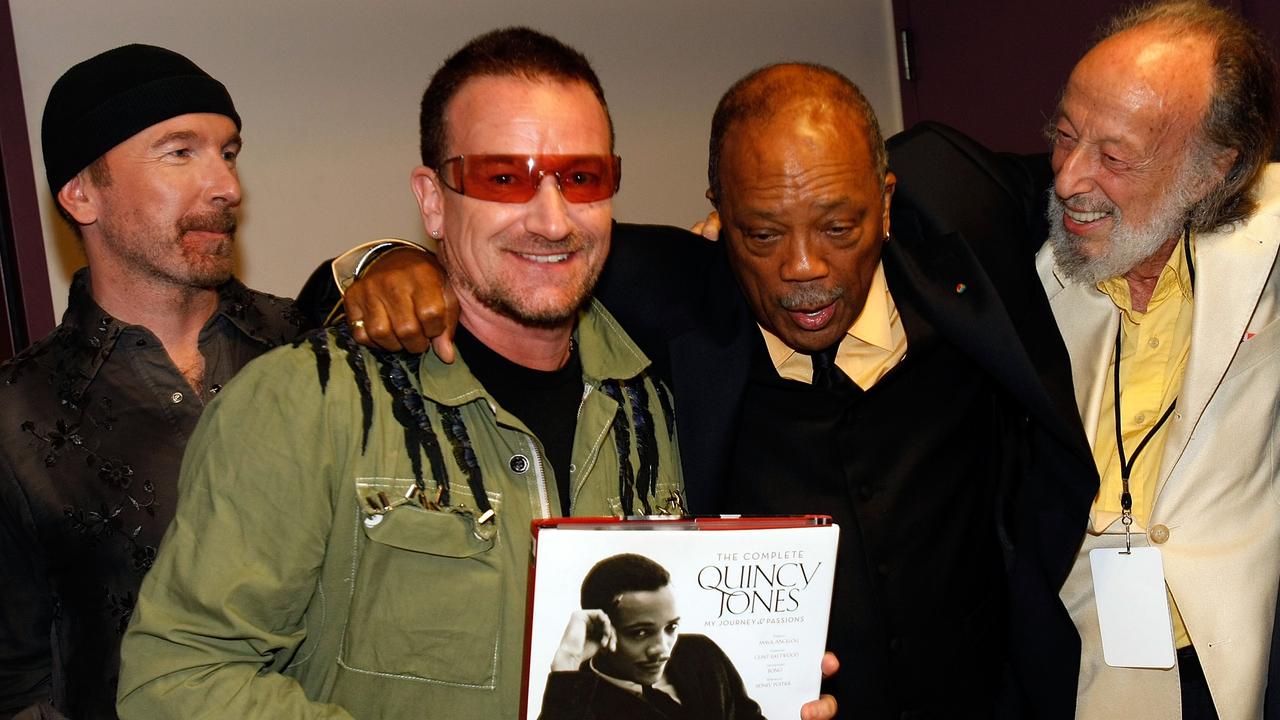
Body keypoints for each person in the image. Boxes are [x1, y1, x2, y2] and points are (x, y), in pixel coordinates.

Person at [346, 63, 1099, 718]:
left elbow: (1111, 170)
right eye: (763, 235)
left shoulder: (962, 215)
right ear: (719, 213)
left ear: (888, 199)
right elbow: (512, 254)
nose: (803, 267)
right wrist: (389, 261)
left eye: (839, 227)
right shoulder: (672, 292)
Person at [118, 27, 711, 719]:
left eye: (581, 178)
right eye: (503, 178)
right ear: (432, 201)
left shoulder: (663, 401)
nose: (552, 221)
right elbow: (174, 682)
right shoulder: (309, 403)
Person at [0, 44, 306, 720]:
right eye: (180, 152)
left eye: (227, 152)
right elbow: (15, 682)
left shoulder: (315, 346)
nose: (227, 186)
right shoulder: (16, 414)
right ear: (83, 193)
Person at [1038, 2, 1280, 718]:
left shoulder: (1268, 251)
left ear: (1213, 171)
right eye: (1064, 136)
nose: (1069, 179)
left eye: (1114, 158)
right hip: (1083, 669)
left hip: (1237, 665)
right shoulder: (1023, 272)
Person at [539, 553, 763, 720]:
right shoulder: (574, 700)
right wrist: (568, 661)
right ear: (601, 631)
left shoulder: (700, 653)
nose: (662, 649)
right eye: (640, 633)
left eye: (671, 628)